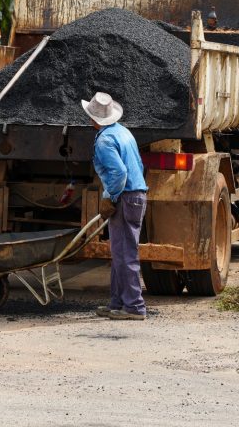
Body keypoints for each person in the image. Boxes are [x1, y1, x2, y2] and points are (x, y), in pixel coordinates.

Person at [82, 91, 149, 321]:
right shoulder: (123, 132)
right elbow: (138, 165)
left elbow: (120, 172)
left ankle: (134, 307)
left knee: (125, 253)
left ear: (94, 119)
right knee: (119, 252)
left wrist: (110, 197)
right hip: (136, 194)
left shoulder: (104, 140)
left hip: (125, 197)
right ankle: (117, 303)